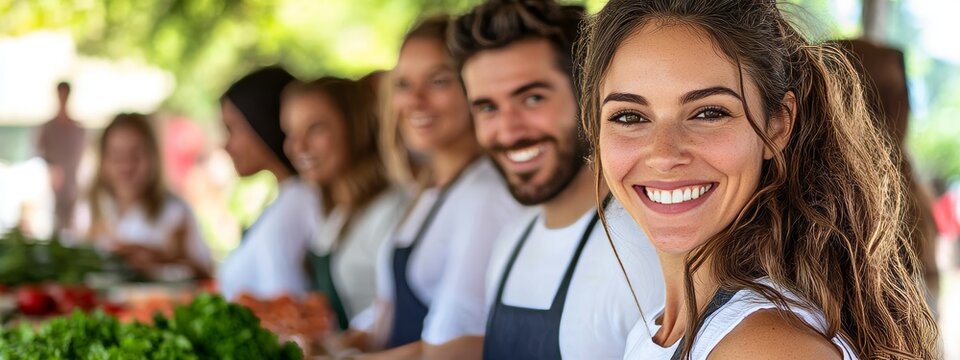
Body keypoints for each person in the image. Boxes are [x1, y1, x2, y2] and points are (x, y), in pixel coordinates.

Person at [576, 1, 938, 359]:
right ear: (595, 128)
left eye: (709, 112)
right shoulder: (659, 328)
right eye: (629, 117)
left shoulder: (766, 347)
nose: (665, 155)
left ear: (777, 124)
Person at [444, 1, 664, 358]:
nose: (508, 131)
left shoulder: (642, 252)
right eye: (487, 107)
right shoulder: (511, 242)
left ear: (587, 97)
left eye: (532, 98)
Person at [345, 16, 522, 359]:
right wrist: (336, 345)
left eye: (438, 81)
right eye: (403, 85)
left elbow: (458, 348)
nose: (416, 100)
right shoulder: (427, 190)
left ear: (475, 88)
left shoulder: (484, 193)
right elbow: (385, 318)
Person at [280, 76, 407, 331]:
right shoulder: (336, 212)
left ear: (355, 127)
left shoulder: (390, 210)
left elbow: (396, 317)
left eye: (315, 128)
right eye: (290, 133)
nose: (298, 146)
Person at [216, 66, 322, 300]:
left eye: (232, 129)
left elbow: (285, 301)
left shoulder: (298, 200)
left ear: (260, 122)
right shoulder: (285, 197)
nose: (226, 145)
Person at [74, 113, 210, 279]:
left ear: (154, 157)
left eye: (136, 155)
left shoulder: (177, 212)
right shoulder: (88, 208)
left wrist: (160, 260)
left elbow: (206, 272)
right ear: (103, 160)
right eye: (116, 156)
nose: (126, 166)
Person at [36, 81, 86, 231]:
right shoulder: (48, 127)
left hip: (72, 184)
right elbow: (39, 150)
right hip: (52, 185)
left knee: (72, 225)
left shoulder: (78, 129)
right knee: (53, 225)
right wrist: (52, 169)